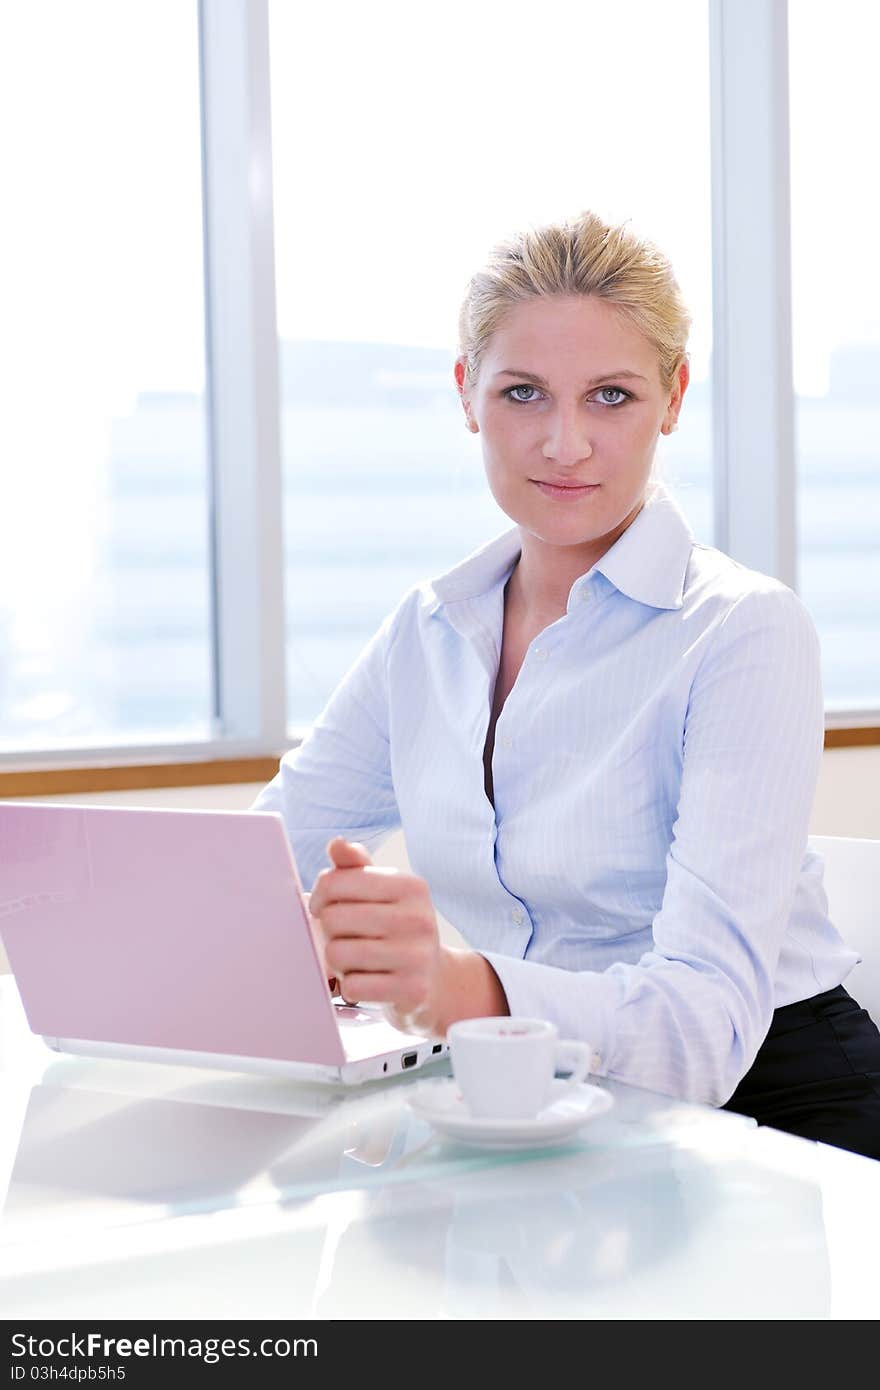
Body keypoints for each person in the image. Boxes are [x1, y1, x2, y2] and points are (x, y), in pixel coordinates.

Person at [252, 210, 880, 1159]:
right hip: (524, 1096)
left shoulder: (744, 629)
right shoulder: (427, 630)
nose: (564, 443)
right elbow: (259, 858)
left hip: (778, 1118)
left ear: (673, 398)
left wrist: (451, 984)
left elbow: (702, 1032)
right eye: (524, 393)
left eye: (613, 397)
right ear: (467, 394)